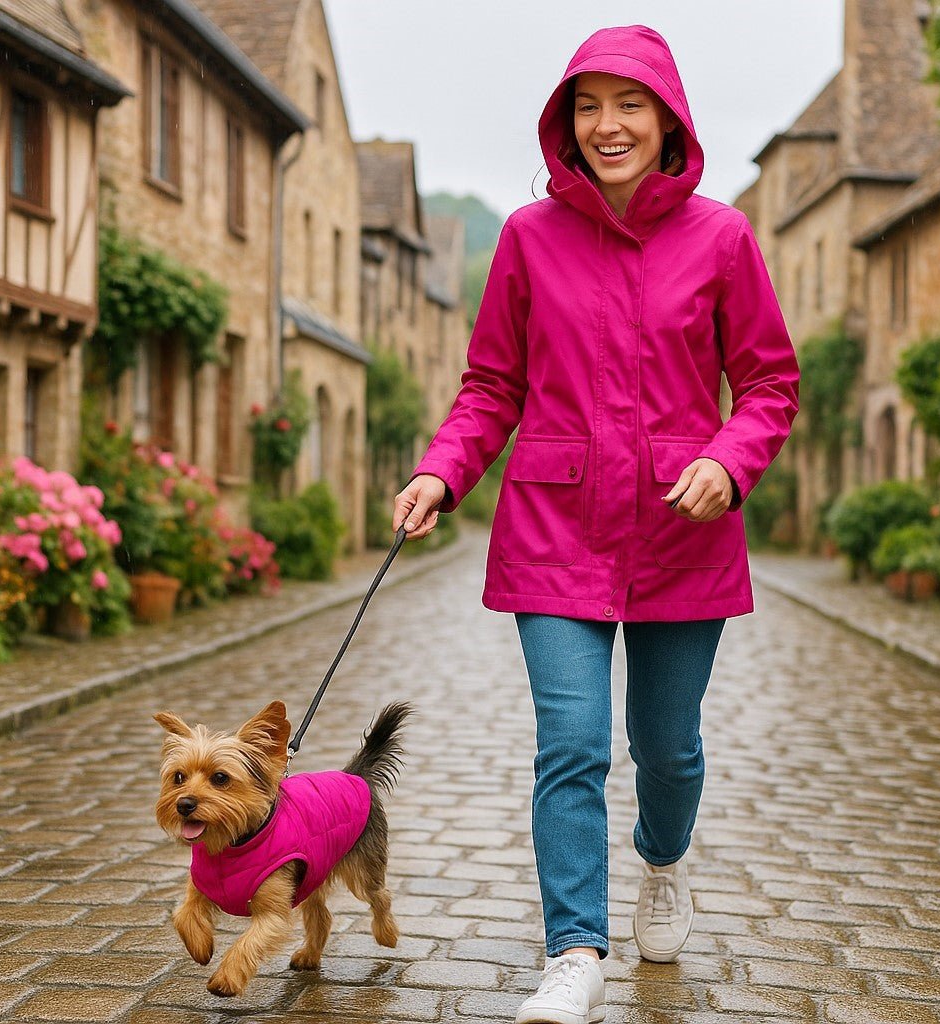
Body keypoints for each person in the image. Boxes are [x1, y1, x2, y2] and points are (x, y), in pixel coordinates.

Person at [393, 24, 799, 1024]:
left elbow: (767, 382)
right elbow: (492, 383)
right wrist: (442, 470)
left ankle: (663, 859)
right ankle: (574, 950)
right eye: (587, 105)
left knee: (667, 748)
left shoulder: (723, 238)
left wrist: (726, 458)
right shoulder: (529, 241)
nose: (606, 125)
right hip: (554, 527)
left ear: (668, 120)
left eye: (628, 104)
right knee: (570, 744)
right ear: (564, 124)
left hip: (681, 525)